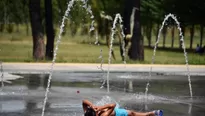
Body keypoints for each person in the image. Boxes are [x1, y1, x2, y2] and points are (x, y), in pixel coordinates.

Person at [82, 99, 163, 116]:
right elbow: (113, 105)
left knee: (132, 113)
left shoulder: (88, 112)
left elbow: (84, 101)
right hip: (117, 113)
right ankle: (149, 114)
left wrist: (93, 106)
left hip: (114, 112)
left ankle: (150, 114)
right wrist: (100, 108)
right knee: (132, 114)